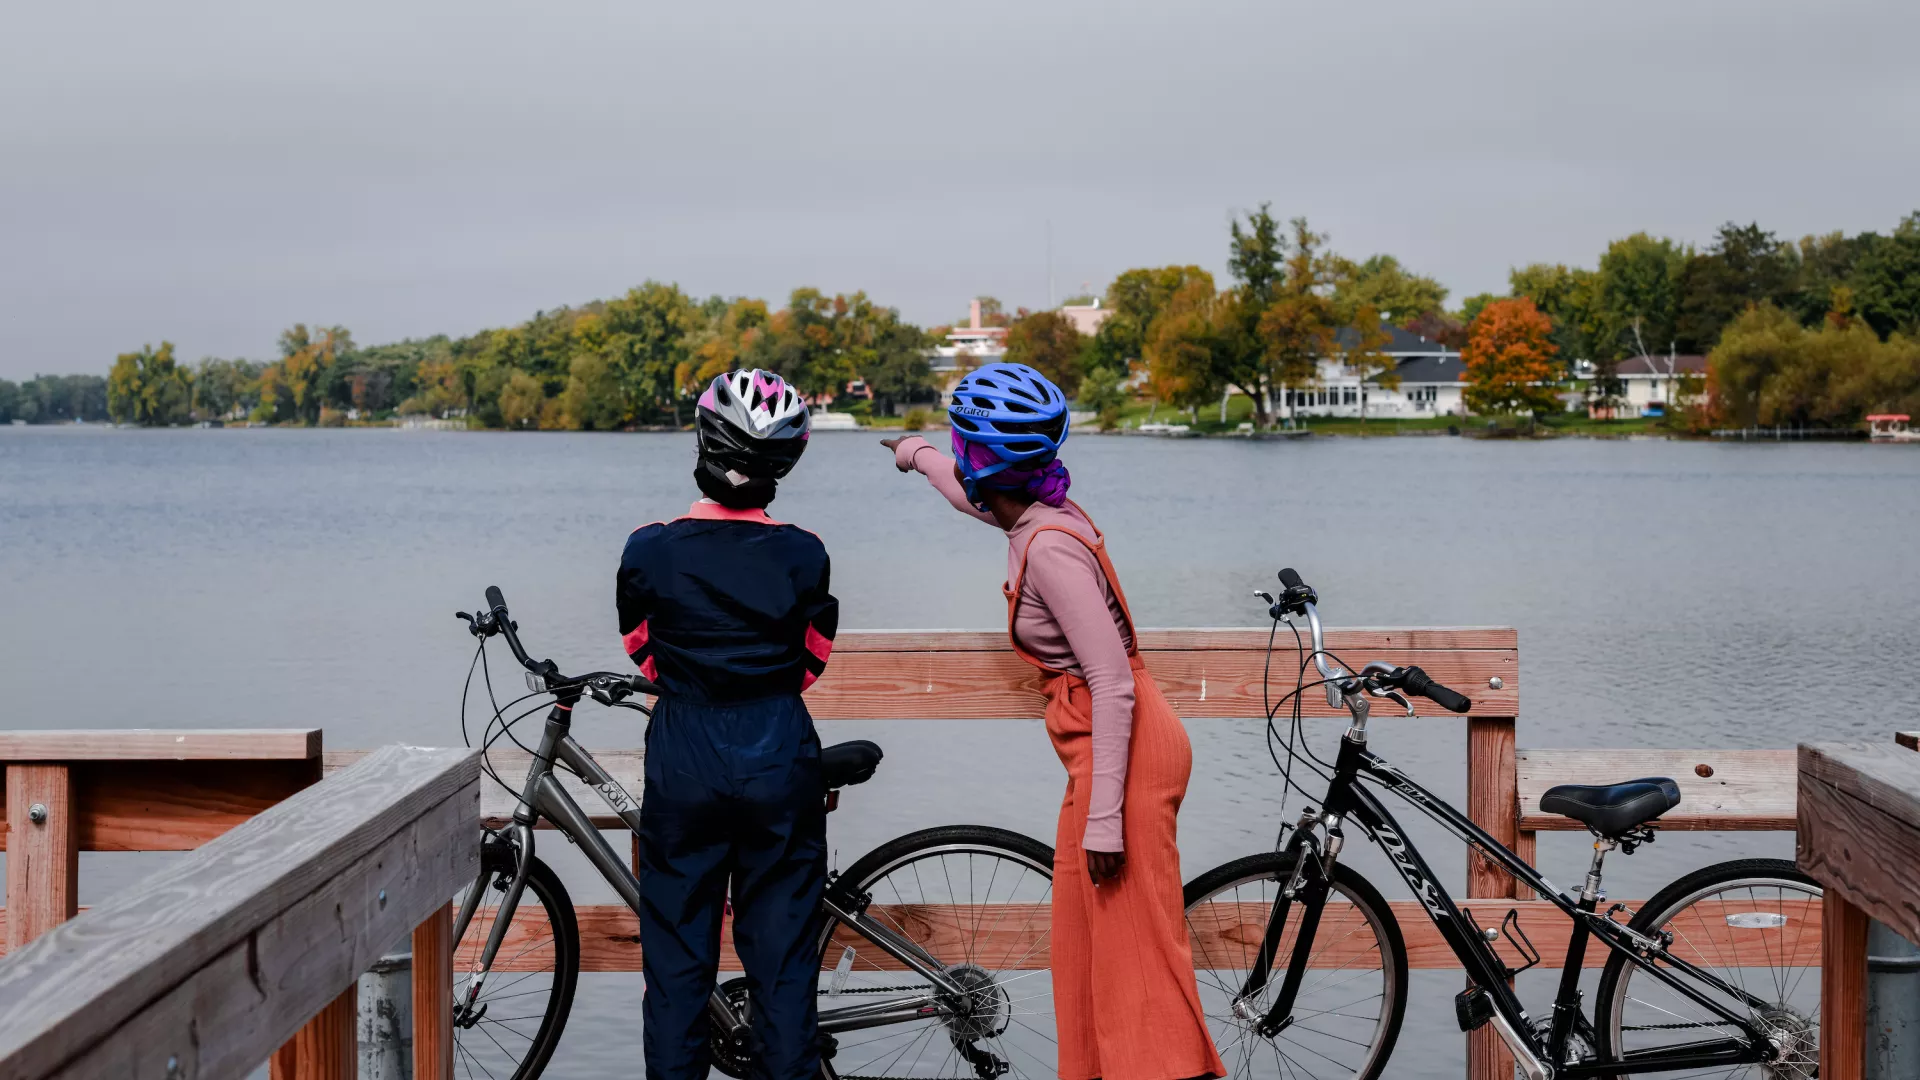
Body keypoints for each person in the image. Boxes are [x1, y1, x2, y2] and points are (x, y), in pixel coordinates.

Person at [880, 363, 1224, 1080]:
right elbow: (967, 495)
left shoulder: (1051, 550)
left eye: (962, 448)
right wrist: (914, 455)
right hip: (1098, 753)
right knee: (1081, 951)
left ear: (986, 461)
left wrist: (1105, 822)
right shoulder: (1031, 516)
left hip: (1121, 754)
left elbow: (1112, 681)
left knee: (1138, 963)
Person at [619, 369, 838, 1080]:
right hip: (777, 746)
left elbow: (643, 654)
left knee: (678, 961)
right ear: (786, 464)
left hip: (685, 745)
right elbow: (812, 662)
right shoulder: (805, 552)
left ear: (703, 442)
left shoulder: (649, 548)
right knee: (783, 959)